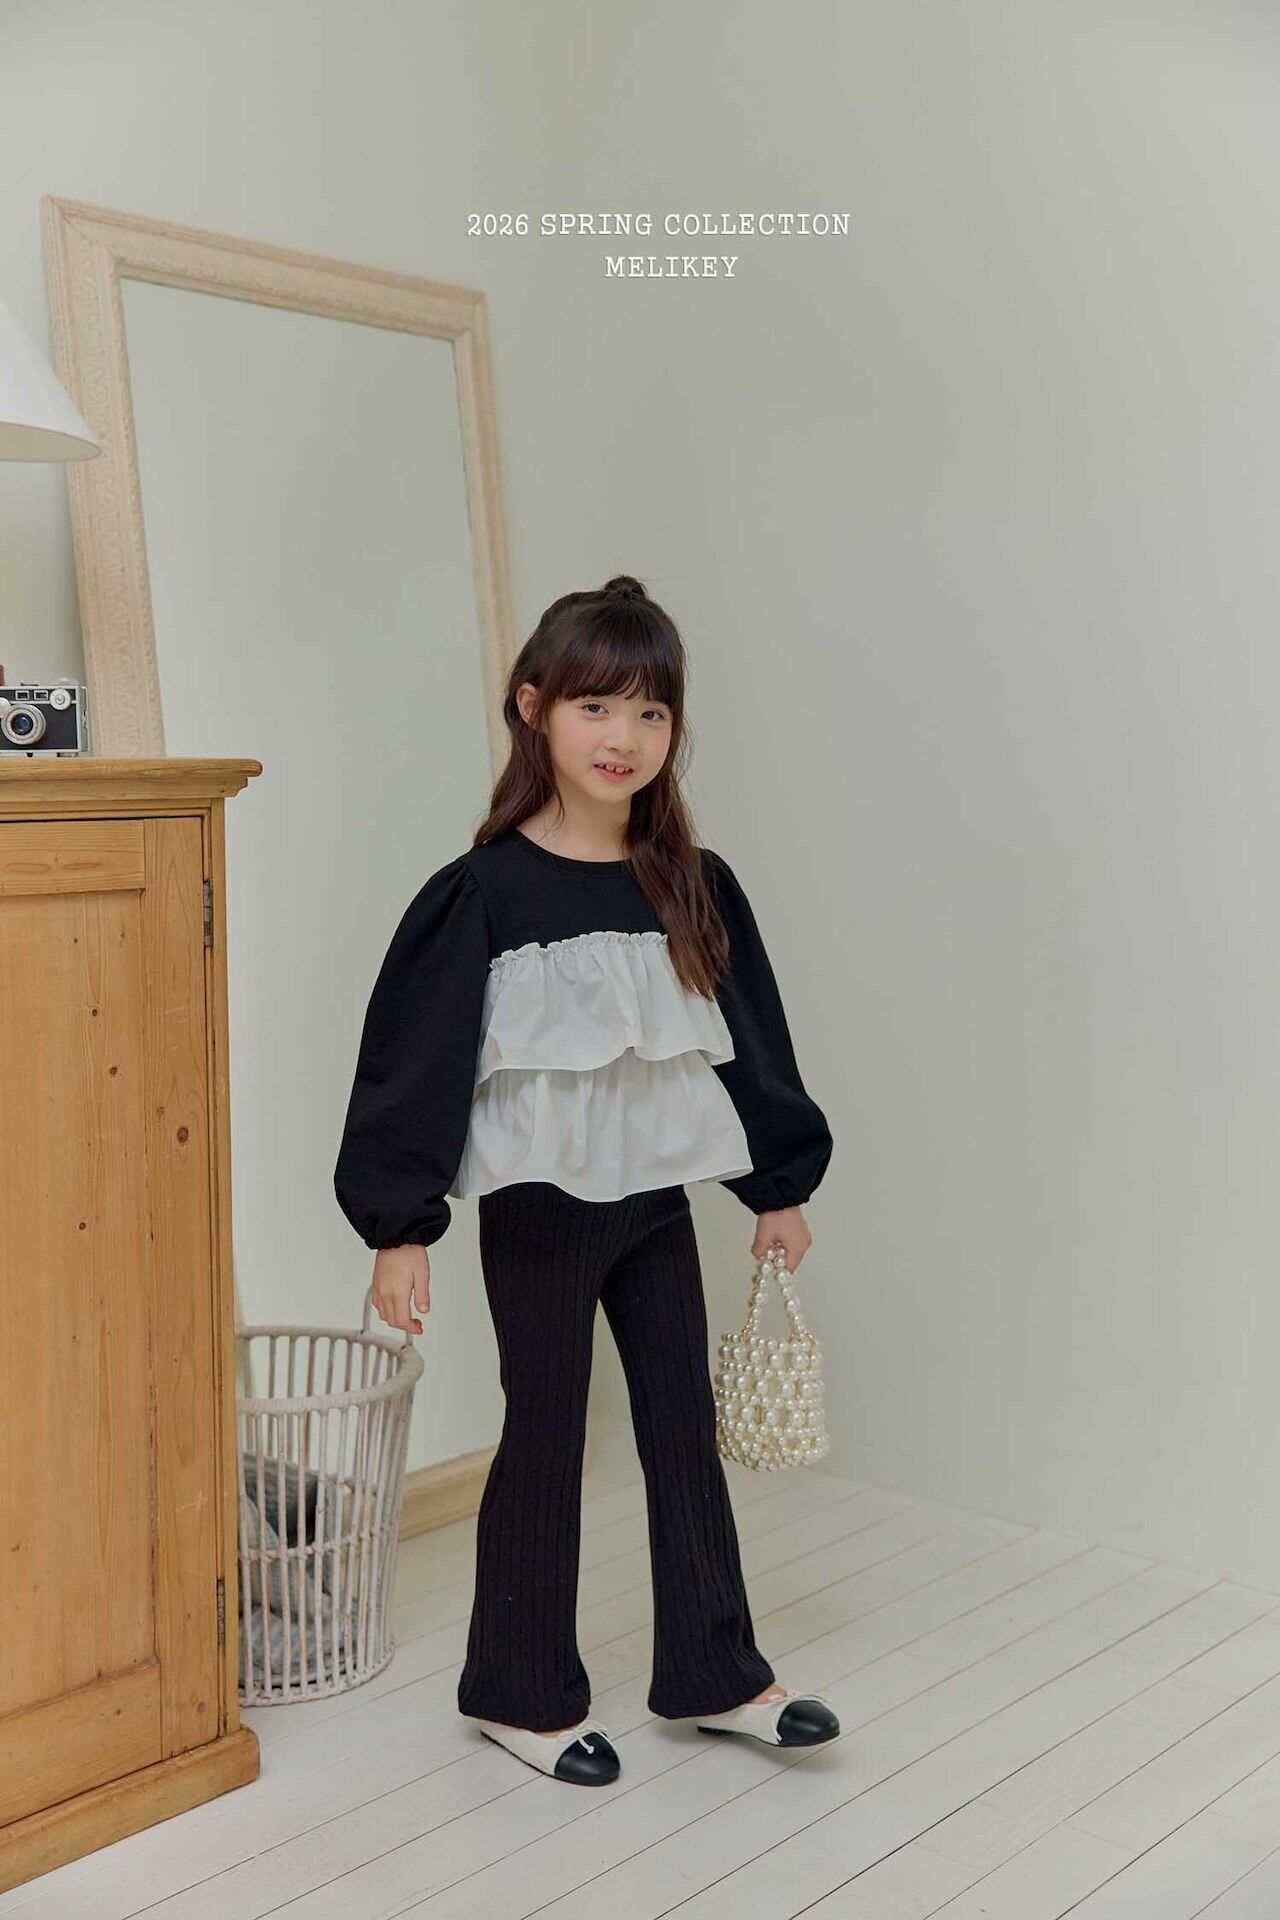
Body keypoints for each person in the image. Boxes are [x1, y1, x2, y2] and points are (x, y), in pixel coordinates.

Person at [333, 574, 838, 1786]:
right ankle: (519, 1692)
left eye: (650, 712)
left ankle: (715, 1674)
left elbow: (751, 1042)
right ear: (532, 709)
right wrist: (399, 1229)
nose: (624, 737)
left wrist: (777, 1186)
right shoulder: (480, 894)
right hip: (539, 1214)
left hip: (656, 1208)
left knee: (679, 1432)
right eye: (595, 706)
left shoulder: (690, 881)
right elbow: (412, 1064)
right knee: (548, 1434)